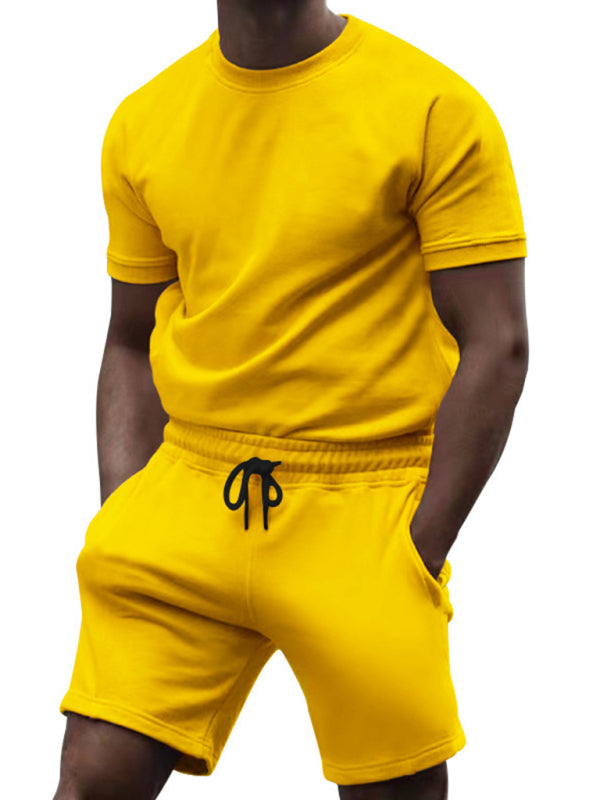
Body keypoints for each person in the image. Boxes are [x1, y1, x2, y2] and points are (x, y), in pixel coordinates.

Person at [53, 2, 528, 798]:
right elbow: (129, 340)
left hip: (363, 504)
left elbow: (498, 343)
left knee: (392, 793)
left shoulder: (433, 108)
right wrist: (125, 514)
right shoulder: (144, 121)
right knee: (91, 781)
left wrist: (417, 546)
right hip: (189, 491)